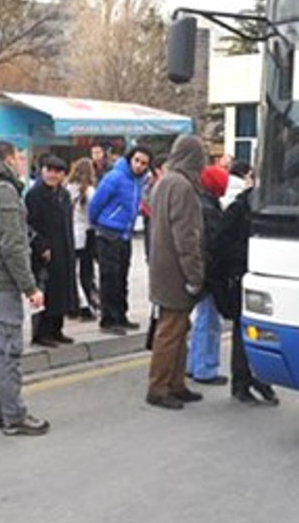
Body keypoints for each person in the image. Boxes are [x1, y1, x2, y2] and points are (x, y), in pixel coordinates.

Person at [0, 139, 49, 436]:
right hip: (1, 283)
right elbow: (13, 245)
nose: (21, 161)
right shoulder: (3, 191)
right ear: (7, 158)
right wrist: (30, 287)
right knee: (7, 352)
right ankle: (13, 416)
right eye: (18, 155)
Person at [145, 135, 207, 410]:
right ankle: (159, 387)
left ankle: (176, 383)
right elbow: (187, 236)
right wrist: (194, 274)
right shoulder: (183, 186)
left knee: (179, 329)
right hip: (176, 270)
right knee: (170, 332)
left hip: (162, 265)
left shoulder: (164, 182)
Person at [213, 172, 278, 406]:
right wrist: (250, 255)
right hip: (240, 276)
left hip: (263, 276)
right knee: (243, 332)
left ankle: (259, 378)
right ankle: (241, 382)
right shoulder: (239, 209)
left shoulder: (274, 206)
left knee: (264, 331)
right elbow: (220, 246)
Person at [88, 144, 153, 335]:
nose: (139, 165)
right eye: (137, 160)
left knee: (122, 277)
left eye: (144, 163)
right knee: (110, 278)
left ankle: (121, 315)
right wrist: (100, 223)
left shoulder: (139, 181)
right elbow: (96, 203)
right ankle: (108, 319)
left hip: (125, 234)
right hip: (109, 232)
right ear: (130, 159)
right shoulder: (115, 177)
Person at [26, 155, 77, 347]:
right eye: (49, 170)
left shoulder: (64, 195)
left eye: (58, 171)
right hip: (44, 252)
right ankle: (41, 333)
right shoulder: (34, 195)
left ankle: (57, 329)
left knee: (62, 291)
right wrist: (41, 246)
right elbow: (29, 225)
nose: (52, 175)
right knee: (46, 291)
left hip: (64, 249)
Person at [186, 165, 230, 386]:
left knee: (201, 319)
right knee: (209, 321)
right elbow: (213, 244)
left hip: (200, 271)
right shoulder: (210, 210)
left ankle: (193, 364)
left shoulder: (200, 204)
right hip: (210, 273)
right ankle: (205, 368)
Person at [65, 157, 98, 322]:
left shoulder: (67, 188)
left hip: (70, 233)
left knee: (73, 272)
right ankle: (85, 305)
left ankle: (74, 304)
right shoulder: (90, 191)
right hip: (86, 233)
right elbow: (94, 214)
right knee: (86, 273)